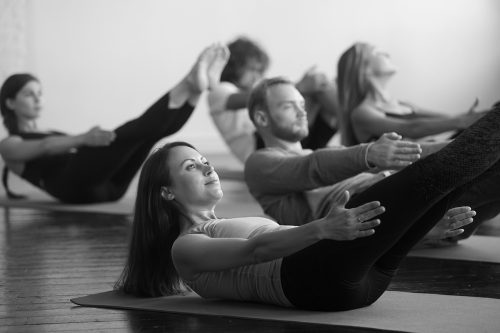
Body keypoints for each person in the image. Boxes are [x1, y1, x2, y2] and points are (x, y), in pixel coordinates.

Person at [115, 104, 500, 311]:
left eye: (204, 159)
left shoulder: (220, 227)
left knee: (445, 190)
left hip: (358, 284)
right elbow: (257, 250)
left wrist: (422, 229)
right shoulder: (184, 247)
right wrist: (321, 229)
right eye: (190, 166)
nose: (206, 165)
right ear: (166, 193)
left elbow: (338, 244)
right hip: (309, 280)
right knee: (436, 172)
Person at [244, 77, 500, 244]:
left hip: (421, 211)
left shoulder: (328, 153)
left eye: (302, 103)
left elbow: (412, 154)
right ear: (263, 119)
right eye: (289, 106)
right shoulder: (259, 164)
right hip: (401, 210)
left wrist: (465, 144)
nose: (302, 111)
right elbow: (311, 169)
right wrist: (418, 230)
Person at [0, 43, 229, 203]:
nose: (38, 99)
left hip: (110, 189)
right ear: (10, 102)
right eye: (29, 94)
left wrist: (83, 141)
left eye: (40, 93)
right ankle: (189, 82)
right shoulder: (9, 144)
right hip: (75, 188)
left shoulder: (49, 131)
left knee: (147, 135)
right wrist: (84, 138)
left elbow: (52, 143)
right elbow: (45, 146)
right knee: (132, 131)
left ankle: (195, 90)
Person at [208, 36, 340, 163]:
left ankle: (350, 121)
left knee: (322, 88)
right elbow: (257, 97)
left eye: (260, 72)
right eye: (253, 69)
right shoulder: (220, 90)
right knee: (315, 88)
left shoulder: (250, 91)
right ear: (235, 66)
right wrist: (301, 86)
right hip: (262, 147)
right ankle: (351, 122)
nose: (257, 76)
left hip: (287, 141)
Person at [336, 42, 488, 147]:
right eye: (377, 52)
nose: (387, 53)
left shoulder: (403, 104)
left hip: (435, 155)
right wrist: (463, 121)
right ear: (363, 70)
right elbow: (412, 128)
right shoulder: (362, 113)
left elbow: (452, 120)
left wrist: (470, 118)